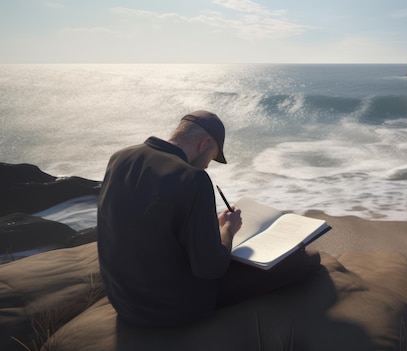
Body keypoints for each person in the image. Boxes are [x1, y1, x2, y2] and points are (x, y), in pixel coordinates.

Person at [97, 110, 320, 327]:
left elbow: (153, 218)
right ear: (204, 144)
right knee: (305, 258)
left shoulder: (120, 158)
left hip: (122, 300)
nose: (206, 165)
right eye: (211, 158)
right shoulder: (193, 178)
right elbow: (211, 269)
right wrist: (228, 230)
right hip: (168, 309)